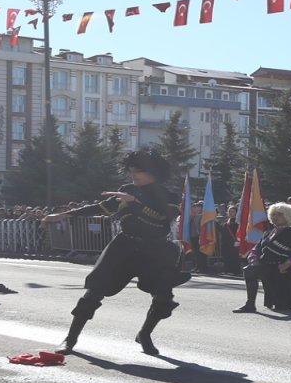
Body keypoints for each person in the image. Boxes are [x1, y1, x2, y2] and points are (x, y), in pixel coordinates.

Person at [40, 149, 184, 356]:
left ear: (153, 172)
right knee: (94, 291)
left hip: (155, 249)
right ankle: (70, 339)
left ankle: (144, 334)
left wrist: (135, 202)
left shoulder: (168, 195)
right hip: (124, 246)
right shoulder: (126, 189)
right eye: (131, 170)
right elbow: (100, 207)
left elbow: (163, 217)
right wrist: (63, 214)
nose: (132, 175)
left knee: (163, 298)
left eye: (138, 171)